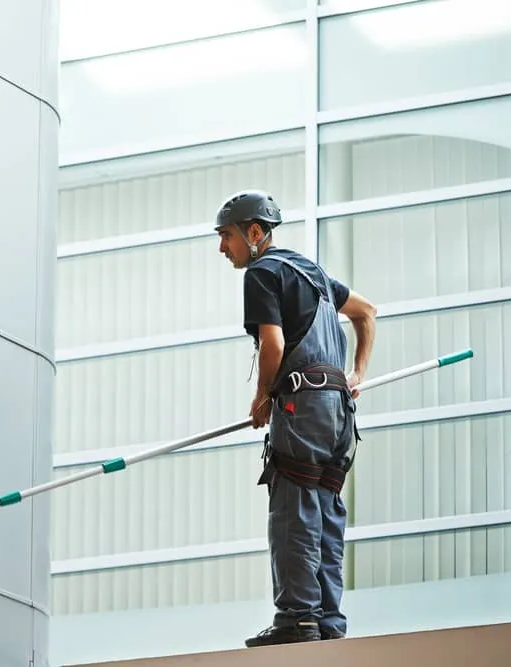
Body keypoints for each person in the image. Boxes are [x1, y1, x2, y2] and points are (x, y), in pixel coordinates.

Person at [214, 190, 377, 647]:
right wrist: (356, 374)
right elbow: (366, 313)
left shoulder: (262, 273)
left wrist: (262, 396)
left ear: (254, 232)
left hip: (301, 408)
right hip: (339, 414)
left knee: (294, 509)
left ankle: (296, 619)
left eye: (226, 236)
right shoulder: (313, 274)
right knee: (325, 509)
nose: (222, 248)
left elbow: (274, 346)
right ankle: (327, 620)